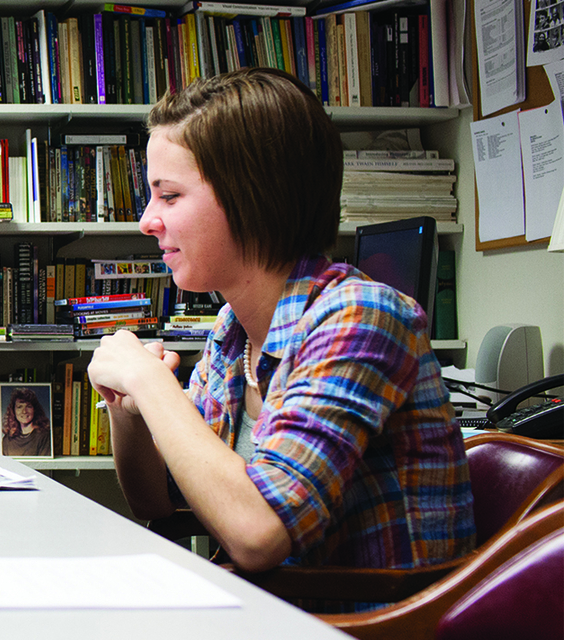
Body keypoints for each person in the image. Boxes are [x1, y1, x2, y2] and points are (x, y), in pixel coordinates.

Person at [87, 68, 474, 607]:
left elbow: (258, 532)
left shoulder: (362, 318)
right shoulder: (232, 331)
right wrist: (127, 408)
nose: (147, 221)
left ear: (253, 197)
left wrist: (152, 383)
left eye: (169, 196)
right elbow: (159, 500)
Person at [0, 387, 51, 457]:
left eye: (28, 406)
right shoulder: (7, 440)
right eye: (19, 407)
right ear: (13, 411)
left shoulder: (44, 436)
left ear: (34, 410)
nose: (24, 411)